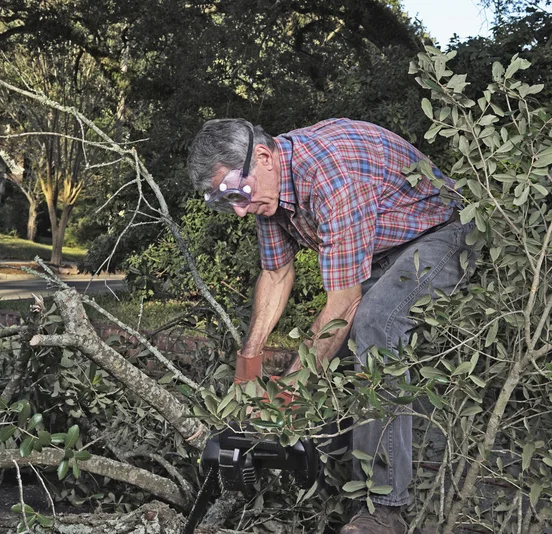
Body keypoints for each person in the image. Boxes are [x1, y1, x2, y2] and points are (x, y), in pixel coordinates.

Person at [187, 118, 476, 534]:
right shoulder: (268, 193)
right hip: (386, 247)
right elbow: (275, 275)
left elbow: (343, 303)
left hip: (446, 232)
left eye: (237, 193)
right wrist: (248, 366)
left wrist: (283, 398)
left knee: (376, 324)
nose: (237, 208)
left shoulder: (332, 174)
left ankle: (383, 509)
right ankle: (325, 468)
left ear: (264, 157)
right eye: (223, 200)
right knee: (329, 352)